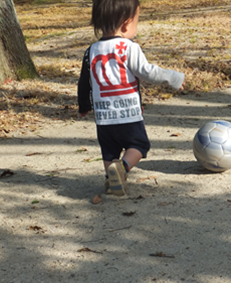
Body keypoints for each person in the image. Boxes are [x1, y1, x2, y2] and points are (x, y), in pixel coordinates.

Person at [78, 0, 184, 196]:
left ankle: (111, 179)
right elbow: (147, 72)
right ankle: (123, 168)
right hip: (128, 115)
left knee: (109, 152)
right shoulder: (129, 47)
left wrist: (84, 106)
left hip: (103, 118)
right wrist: (173, 77)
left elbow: (84, 82)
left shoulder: (90, 51)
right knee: (139, 145)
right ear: (127, 24)